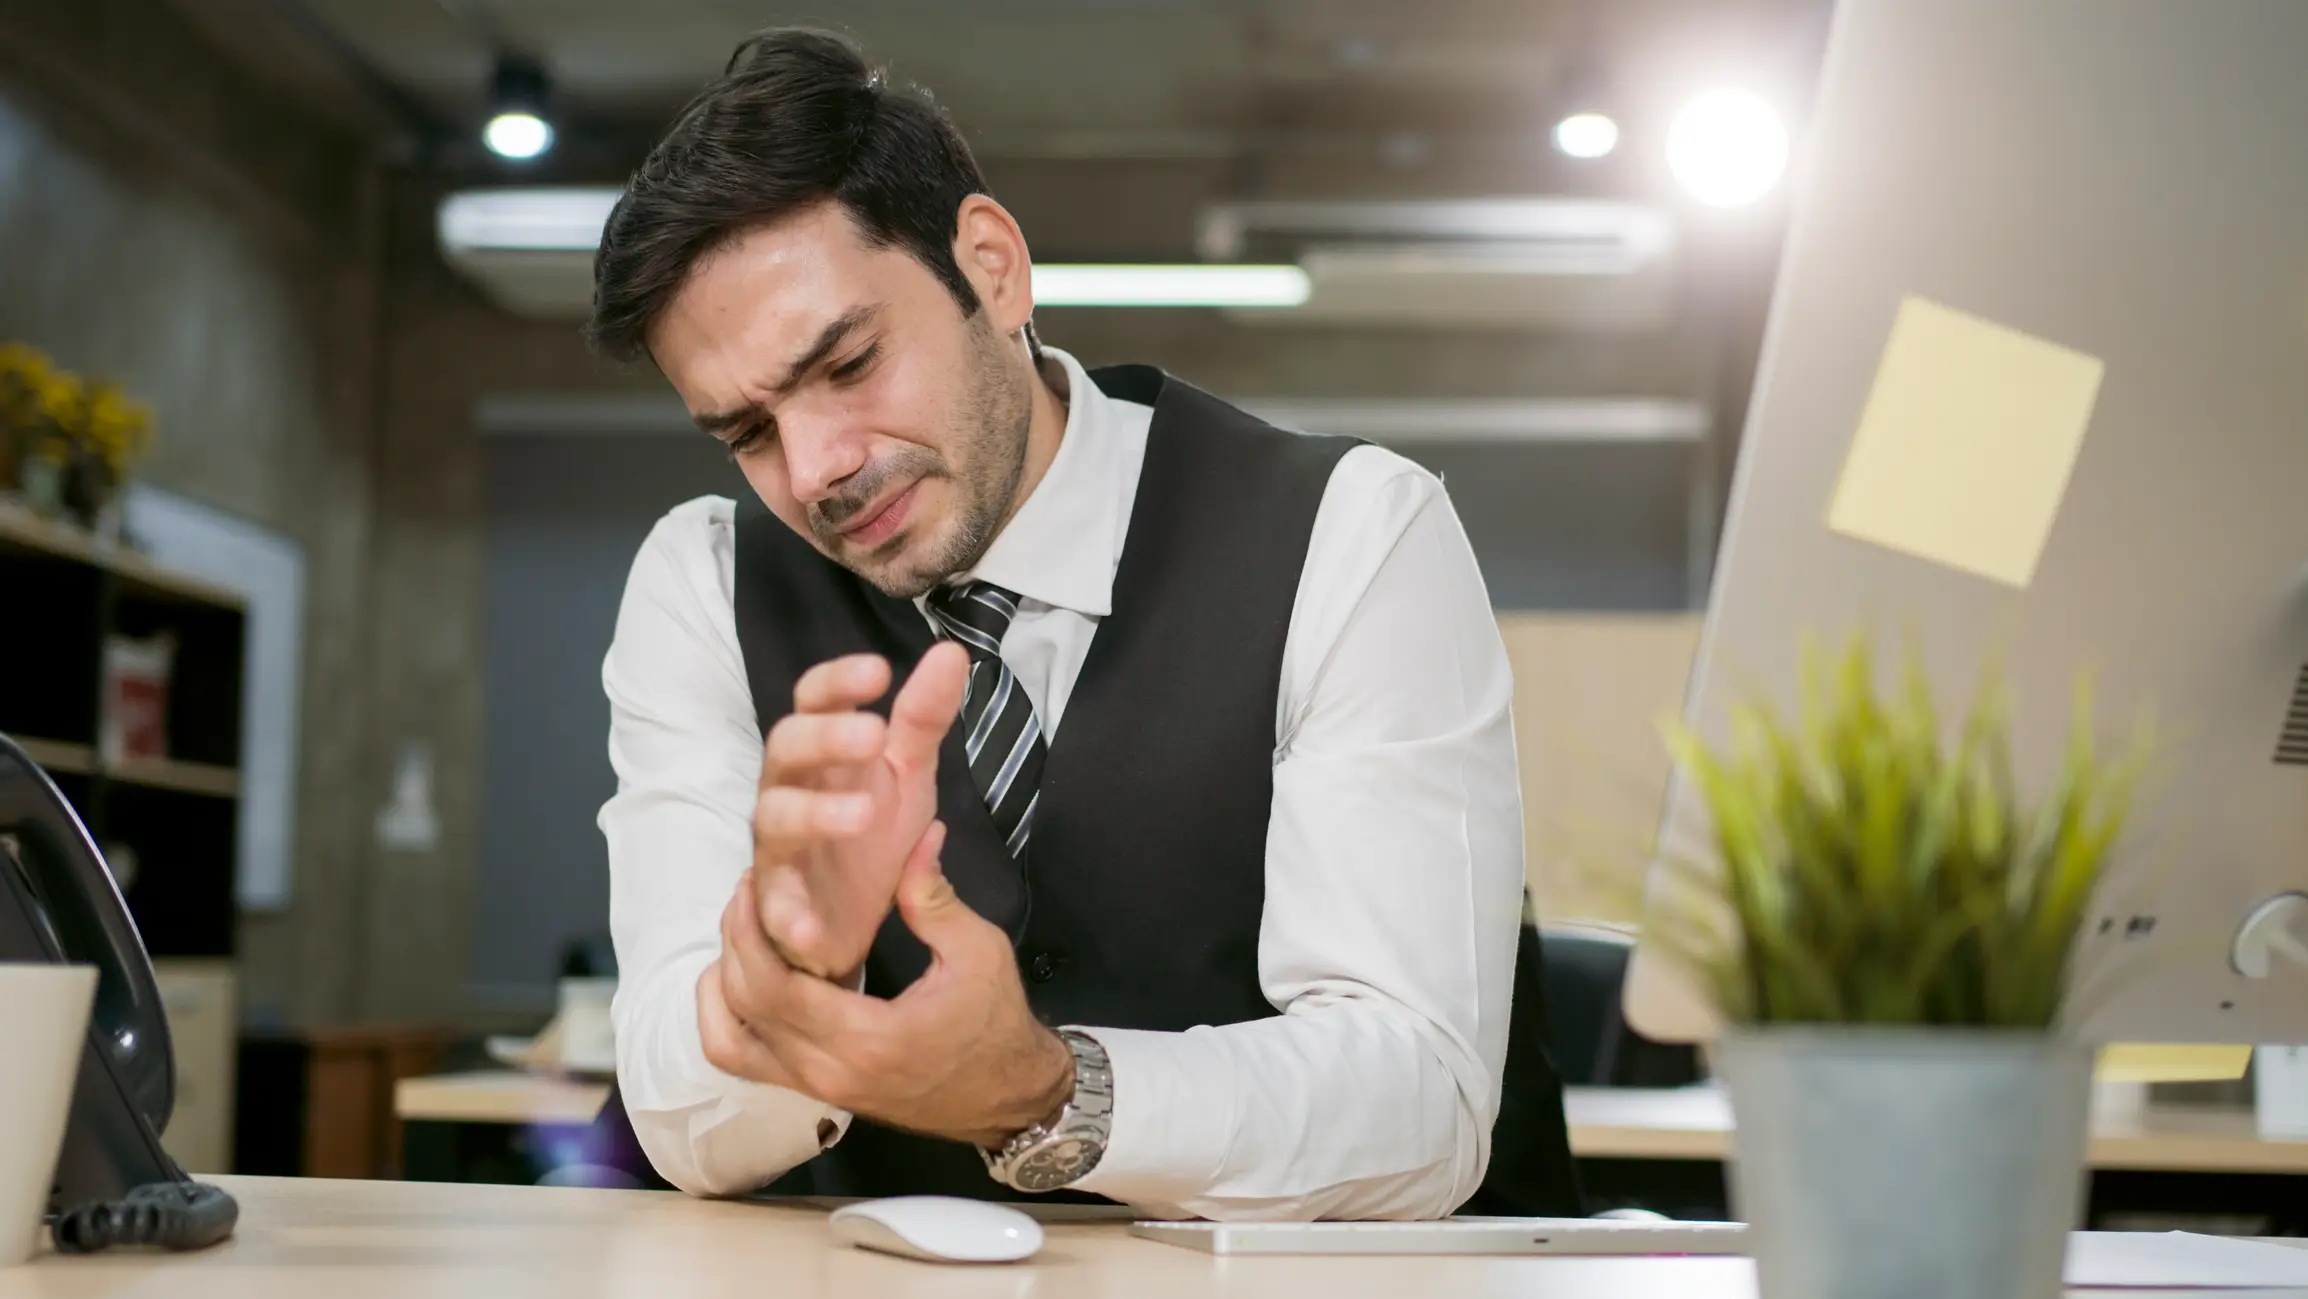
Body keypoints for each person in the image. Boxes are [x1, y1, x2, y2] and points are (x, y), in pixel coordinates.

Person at [588, 27, 1573, 1220]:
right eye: (748, 432)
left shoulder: (1354, 532)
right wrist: (796, 967)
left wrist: (1047, 1093)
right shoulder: (704, 581)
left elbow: (1420, 1102)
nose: (814, 470)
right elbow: (679, 1118)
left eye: (848, 363)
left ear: (992, 267)